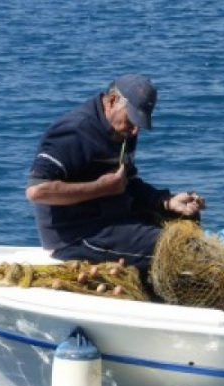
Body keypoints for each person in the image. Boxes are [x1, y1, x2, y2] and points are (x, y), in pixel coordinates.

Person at [25, 74, 204, 274]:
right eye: (132, 119)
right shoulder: (74, 131)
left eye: (140, 123)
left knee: (186, 222)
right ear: (112, 101)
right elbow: (37, 191)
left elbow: (126, 183)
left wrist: (165, 201)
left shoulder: (124, 131)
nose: (135, 130)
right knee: (175, 248)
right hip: (75, 237)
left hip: (113, 219)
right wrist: (101, 188)